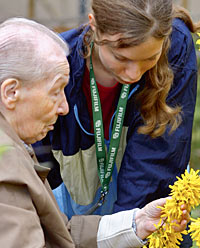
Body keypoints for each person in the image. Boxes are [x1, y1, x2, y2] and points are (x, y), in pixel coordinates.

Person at [0, 17, 189, 248]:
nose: (64, 107)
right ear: (11, 92)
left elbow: (57, 236)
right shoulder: (5, 161)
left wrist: (137, 223)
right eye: (56, 91)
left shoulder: (13, 144)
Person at [34, 0, 200, 221]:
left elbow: (155, 163)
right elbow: (39, 161)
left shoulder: (176, 44)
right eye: (121, 58)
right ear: (94, 26)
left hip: (143, 202)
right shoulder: (56, 58)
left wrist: (127, 235)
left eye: (150, 58)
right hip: (71, 199)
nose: (133, 74)